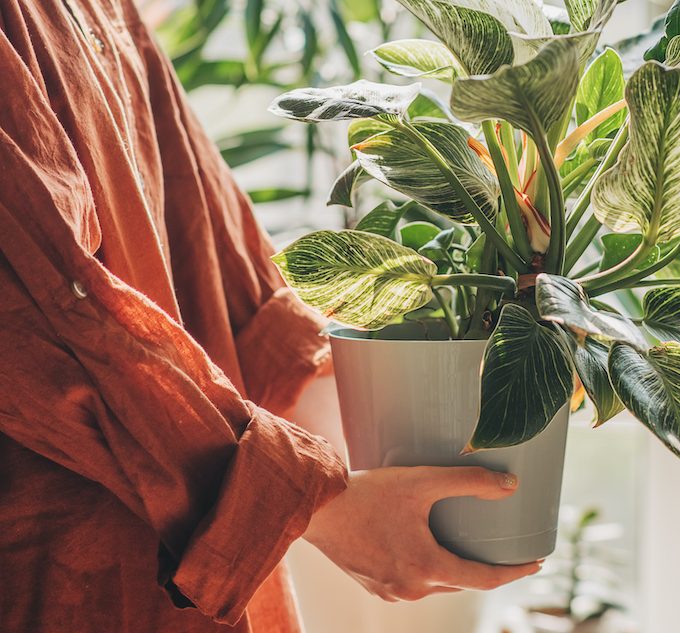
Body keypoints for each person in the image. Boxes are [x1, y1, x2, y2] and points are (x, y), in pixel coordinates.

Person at [0, 1, 539, 631]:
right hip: (65, 571)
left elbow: (216, 262)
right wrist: (318, 505)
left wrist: (470, 399)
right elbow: (40, 313)